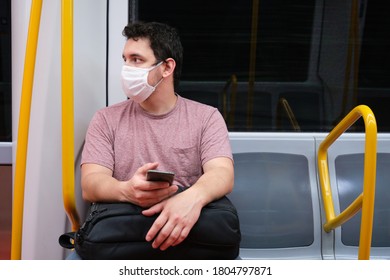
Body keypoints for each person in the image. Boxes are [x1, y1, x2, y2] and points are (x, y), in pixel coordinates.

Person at [68, 21, 234, 259]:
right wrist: (127, 191)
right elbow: (91, 183)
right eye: (125, 59)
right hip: (124, 238)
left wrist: (191, 199)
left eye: (136, 60)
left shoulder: (206, 117)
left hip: (190, 237)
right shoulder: (106, 119)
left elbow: (222, 174)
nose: (127, 68)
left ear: (167, 68)